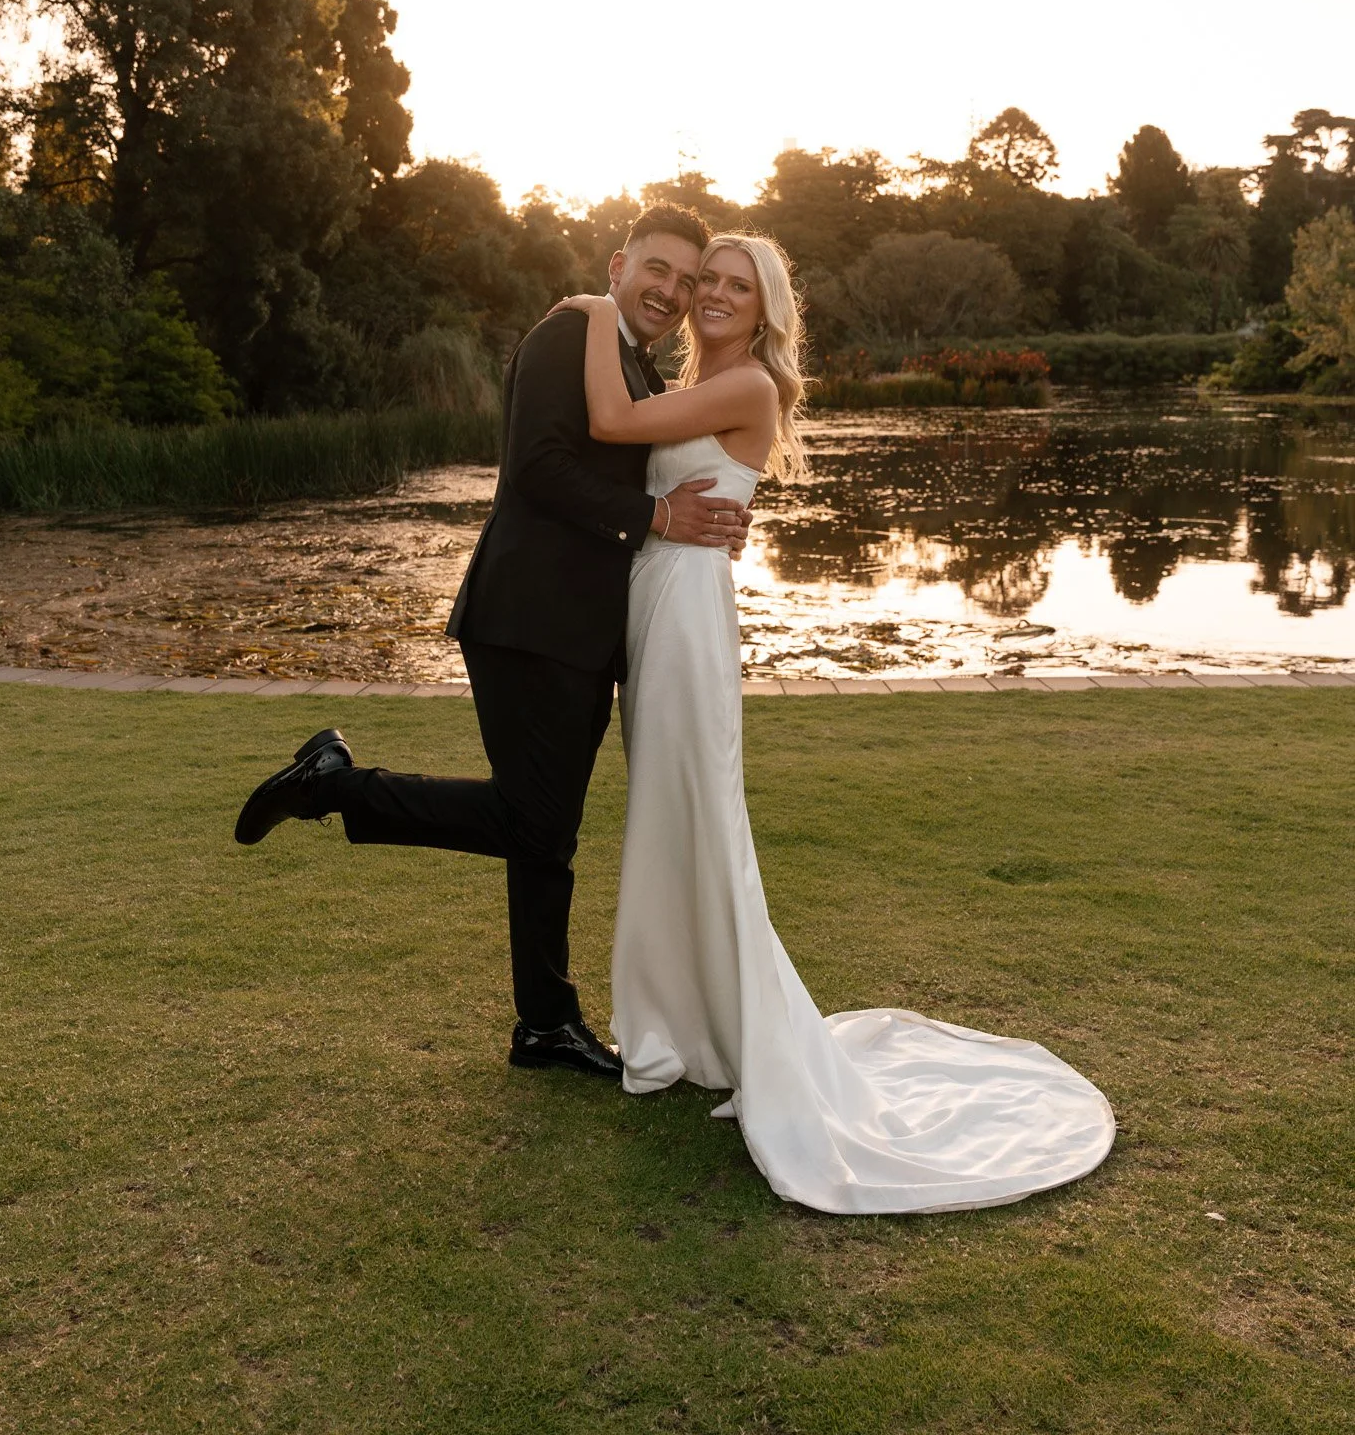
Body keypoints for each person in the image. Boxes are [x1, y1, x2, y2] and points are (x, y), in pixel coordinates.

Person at [553, 232, 1116, 1214]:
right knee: (668, 816)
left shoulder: (751, 387)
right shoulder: (702, 377)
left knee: (696, 817)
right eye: (710, 282)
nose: (718, 295)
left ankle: (706, 1034)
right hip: (658, 605)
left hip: (685, 614)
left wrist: (595, 310)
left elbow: (610, 418)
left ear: (768, 309)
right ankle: (686, 1030)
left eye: (738, 286)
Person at [233, 204, 752, 1081]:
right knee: (534, 821)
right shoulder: (566, 336)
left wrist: (709, 515)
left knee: (546, 835)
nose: (671, 291)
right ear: (620, 266)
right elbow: (539, 468)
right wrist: (660, 514)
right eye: (656, 270)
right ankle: (337, 786)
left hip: (590, 633)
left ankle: (544, 1025)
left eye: (687, 279)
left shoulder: (629, 363)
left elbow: (657, 455)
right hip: (529, 620)